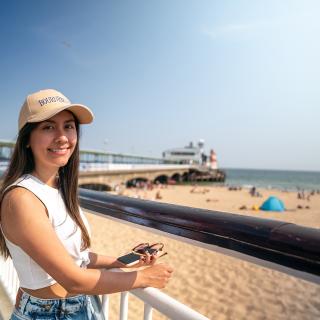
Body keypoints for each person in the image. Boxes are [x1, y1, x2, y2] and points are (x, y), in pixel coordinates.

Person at [0, 89, 173, 319]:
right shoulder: (21, 199)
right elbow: (73, 279)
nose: (62, 136)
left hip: (81, 307)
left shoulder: (58, 189)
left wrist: (124, 261)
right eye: (48, 127)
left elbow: (77, 257)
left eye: (68, 126)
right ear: (27, 140)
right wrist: (144, 277)